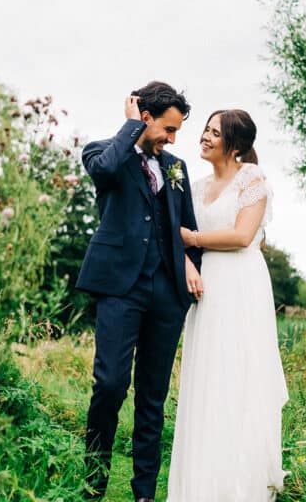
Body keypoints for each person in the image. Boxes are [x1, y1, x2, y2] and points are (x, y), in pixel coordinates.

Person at [76, 81, 203, 502]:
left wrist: (186, 274)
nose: (172, 139)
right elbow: (106, 171)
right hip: (119, 288)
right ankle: (93, 482)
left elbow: (186, 229)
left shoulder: (177, 167)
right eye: (168, 129)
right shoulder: (103, 150)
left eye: (177, 132)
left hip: (166, 293)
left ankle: (144, 493)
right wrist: (128, 127)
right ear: (144, 117)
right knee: (110, 384)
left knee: (153, 396)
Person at [167, 109, 288, 501]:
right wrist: (186, 260)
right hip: (204, 286)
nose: (204, 136)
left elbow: (241, 235)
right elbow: (177, 237)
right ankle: (201, 483)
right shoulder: (196, 185)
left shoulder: (251, 178)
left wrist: (193, 241)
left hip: (241, 285)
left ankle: (240, 484)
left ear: (235, 145)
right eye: (205, 128)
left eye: (214, 132)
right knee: (207, 378)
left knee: (239, 376)